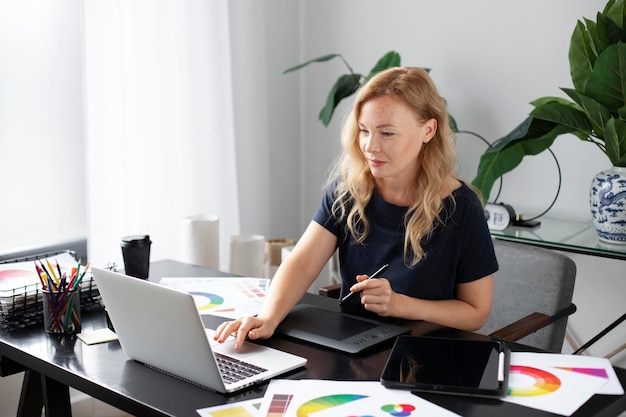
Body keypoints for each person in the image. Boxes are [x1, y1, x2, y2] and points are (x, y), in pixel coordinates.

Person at [215, 67, 498, 350]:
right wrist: (267, 317)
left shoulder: (461, 207)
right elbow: (301, 264)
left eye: (387, 133)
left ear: (428, 130)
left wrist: (401, 305)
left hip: (427, 355)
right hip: (353, 347)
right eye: (364, 131)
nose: (370, 146)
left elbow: (476, 312)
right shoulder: (349, 191)